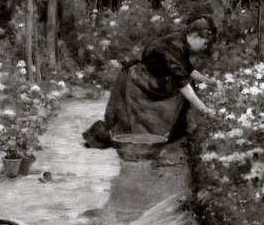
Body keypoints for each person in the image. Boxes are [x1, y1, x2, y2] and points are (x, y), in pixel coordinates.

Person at [83, 16, 218, 148]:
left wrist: (210, 81)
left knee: (184, 90)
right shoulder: (175, 47)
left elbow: (188, 70)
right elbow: (183, 84)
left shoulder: (182, 40)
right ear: (196, 37)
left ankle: (176, 134)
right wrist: (205, 110)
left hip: (153, 78)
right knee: (133, 123)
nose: (205, 47)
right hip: (143, 81)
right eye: (205, 43)